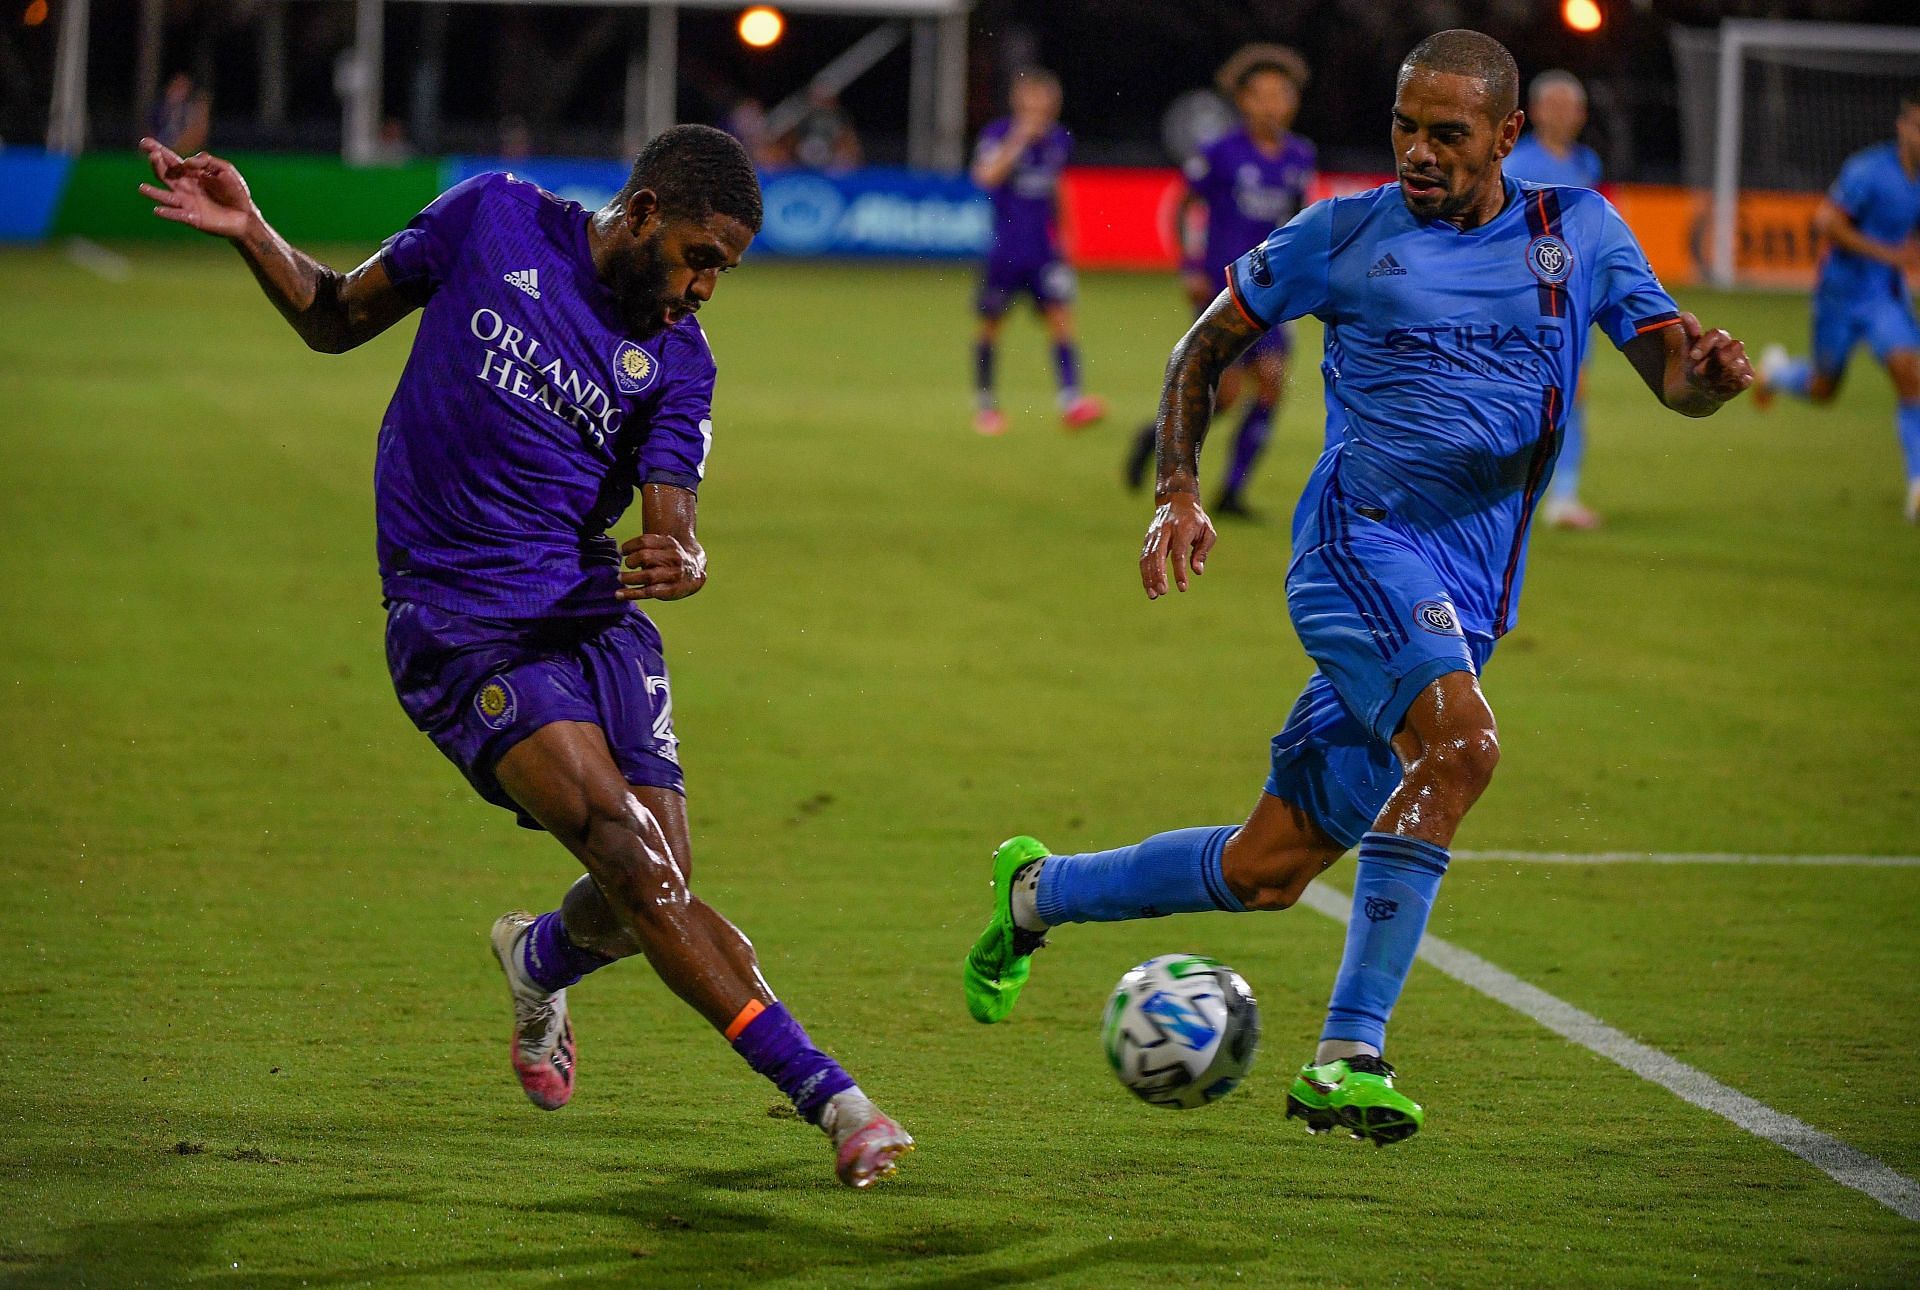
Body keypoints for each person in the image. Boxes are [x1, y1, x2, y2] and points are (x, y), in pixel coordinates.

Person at [963, 30, 1751, 1144]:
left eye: (1448, 134)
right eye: (1403, 128)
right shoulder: (1342, 235)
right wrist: (1175, 488)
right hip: (1359, 550)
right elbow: (1204, 346)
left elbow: (1673, 370)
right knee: (1462, 749)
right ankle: (1348, 1053)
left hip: (1469, 591)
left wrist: (1707, 379)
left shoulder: (1578, 233)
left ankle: (1036, 893)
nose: (1418, 153)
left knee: (1269, 867)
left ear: (1508, 138)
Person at [136, 124, 913, 1188]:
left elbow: (672, 510)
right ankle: (838, 1101)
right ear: (642, 214)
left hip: (590, 616)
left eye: (723, 271)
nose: (705, 289)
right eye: (699, 257)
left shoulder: (679, 359)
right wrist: (248, 228)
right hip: (458, 623)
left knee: (659, 883)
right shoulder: (492, 217)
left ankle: (537, 955)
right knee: (637, 868)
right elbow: (333, 316)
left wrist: (682, 552)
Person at [1126, 45, 1317, 518]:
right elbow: (1183, 207)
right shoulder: (1220, 153)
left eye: (1282, 95)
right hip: (1223, 290)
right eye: (1262, 96)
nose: (1272, 105)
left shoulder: (1299, 155)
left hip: (1273, 289)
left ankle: (1233, 491)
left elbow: (1296, 221)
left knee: (1271, 384)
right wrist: (1190, 265)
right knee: (1225, 395)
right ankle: (1153, 438)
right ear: (1244, 101)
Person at [1753, 89, 1920, 523]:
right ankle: (1775, 374)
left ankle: (1917, 485)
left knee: (1910, 374)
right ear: (1903, 127)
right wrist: (1889, 254)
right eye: (1918, 126)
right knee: (1824, 389)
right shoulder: (1868, 171)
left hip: (1884, 298)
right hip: (1840, 295)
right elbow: (1826, 224)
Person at [969, 68, 1105, 436]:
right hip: (1006, 251)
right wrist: (1017, 141)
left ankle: (1071, 400)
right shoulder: (998, 134)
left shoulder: (1059, 140)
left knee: (1061, 320)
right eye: (1031, 100)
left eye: (1044, 101)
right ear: (1018, 101)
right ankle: (986, 406)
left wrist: (1068, 240)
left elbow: (1058, 188)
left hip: (1044, 252)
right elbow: (986, 177)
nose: (1038, 108)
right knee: (991, 325)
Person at [1505, 70, 1605, 530]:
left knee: (1572, 393)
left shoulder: (1588, 164)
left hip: (1571, 301)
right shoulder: (1515, 162)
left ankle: (1563, 495)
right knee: (1517, 396)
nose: (1563, 116)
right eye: (1554, 106)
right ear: (1535, 111)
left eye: (1571, 108)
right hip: (1521, 299)